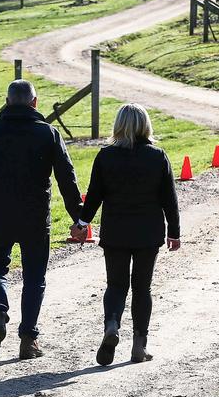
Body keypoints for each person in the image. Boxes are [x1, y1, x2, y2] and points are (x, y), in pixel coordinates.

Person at [0, 79, 83, 359]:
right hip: (35, 218)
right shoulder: (48, 134)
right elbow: (67, 177)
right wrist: (79, 218)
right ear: (35, 103)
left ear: (7, 102)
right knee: (34, 277)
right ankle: (28, 340)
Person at [70, 103, 180, 366]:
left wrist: (82, 223)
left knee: (116, 285)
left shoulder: (106, 156)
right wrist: (174, 232)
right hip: (148, 232)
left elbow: (94, 195)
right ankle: (139, 347)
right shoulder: (157, 156)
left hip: (116, 231)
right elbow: (169, 199)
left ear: (118, 125)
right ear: (145, 126)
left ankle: (112, 325)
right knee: (143, 288)